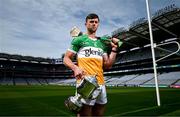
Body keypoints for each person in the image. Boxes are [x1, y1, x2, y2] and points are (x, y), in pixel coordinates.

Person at [63, 13, 120, 116]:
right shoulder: (79, 40)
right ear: (86, 24)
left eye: (96, 22)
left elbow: (107, 65)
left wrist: (114, 50)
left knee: (99, 113)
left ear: (98, 24)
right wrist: (75, 68)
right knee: (85, 114)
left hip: (101, 83)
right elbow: (66, 58)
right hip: (86, 83)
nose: (94, 24)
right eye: (91, 22)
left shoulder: (102, 43)